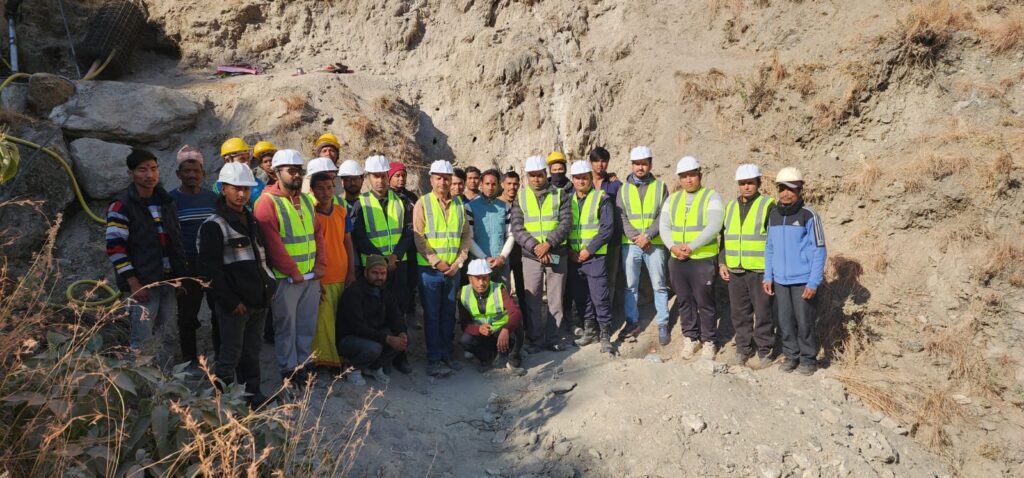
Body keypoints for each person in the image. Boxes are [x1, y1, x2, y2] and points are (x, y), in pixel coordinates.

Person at [197, 163, 277, 408]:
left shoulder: (250, 220)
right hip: (235, 306)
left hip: (258, 301)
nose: (241, 194)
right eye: (236, 188)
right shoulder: (214, 225)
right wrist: (231, 302)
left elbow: (262, 259)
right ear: (223, 189)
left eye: (245, 189)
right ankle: (223, 405)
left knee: (251, 353)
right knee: (229, 356)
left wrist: (269, 289)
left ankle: (252, 396)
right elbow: (209, 271)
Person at [253, 149, 327, 383]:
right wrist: (293, 272)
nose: (296, 175)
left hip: (310, 276)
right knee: (286, 327)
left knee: (306, 324)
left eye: (299, 171)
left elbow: (317, 234)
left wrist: (320, 264)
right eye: (291, 171)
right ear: (277, 172)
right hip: (286, 279)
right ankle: (289, 369)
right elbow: (272, 244)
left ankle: (304, 364)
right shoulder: (266, 203)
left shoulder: (305, 200)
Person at [105, 149, 187, 351]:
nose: (150, 175)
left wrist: (180, 277)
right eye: (142, 170)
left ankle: (166, 372)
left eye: (153, 168)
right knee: (142, 340)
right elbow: (115, 248)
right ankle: (142, 373)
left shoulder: (166, 201)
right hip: (143, 285)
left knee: (168, 337)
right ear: (130, 173)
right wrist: (134, 283)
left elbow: (176, 241)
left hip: (168, 282)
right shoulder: (122, 205)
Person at [352, 155, 414, 374]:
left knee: (399, 310)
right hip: (373, 269)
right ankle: (378, 357)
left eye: (383, 176)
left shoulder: (402, 202)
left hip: (398, 266)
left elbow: (408, 231)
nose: (380, 180)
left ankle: (400, 356)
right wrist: (382, 260)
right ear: (368, 178)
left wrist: (395, 256)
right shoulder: (361, 203)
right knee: (374, 312)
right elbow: (359, 236)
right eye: (375, 176)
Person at [763, 167, 826, 376]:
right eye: (782, 188)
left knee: (804, 321)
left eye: (791, 189)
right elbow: (769, 248)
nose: (786, 193)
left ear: (800, 189)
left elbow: (819, 249)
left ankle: (808, 359)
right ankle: (791, 356)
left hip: (803, 280)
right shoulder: (773, 214)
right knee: (785, 321)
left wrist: (813, 282)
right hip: (780, 281)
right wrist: (768, 276)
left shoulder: (809, 215)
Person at [661, 156, 724, 360]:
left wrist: (691, 246)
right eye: (684, 176)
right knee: (684, 301)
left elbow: (714, 225)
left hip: (702, 259)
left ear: (700, 175)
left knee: (705, 301)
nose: (688, 180)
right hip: (677, 259)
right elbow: (664, 226)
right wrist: (673, 247)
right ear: (679, 178)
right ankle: (691, 338)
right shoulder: (672, 199)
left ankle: (709, 341)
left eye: (692, 175)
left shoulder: (711, 197)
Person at [413, 160, 472, 377]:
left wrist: (458, 262)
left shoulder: (459, 205)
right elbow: (419, 237)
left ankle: (448, 354)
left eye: (446, 178)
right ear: (431, 180)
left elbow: (465, 235)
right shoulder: (423, 203)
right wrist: (436, 262)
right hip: (429, 271)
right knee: (432, 315)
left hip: (453, 271)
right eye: (438, 178)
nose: (443, 182)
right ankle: (434, 359)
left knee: (449, 314)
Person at [510, 155, 572, 353]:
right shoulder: (521, 197)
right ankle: (536, 340)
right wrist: (536, 247)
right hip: (531, 257)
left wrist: (549, 244)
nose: (536, 179)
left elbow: (566, 223)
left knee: (555, 300)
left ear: (546, 174)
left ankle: (553, 338)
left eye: (539, 175)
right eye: (532, 175)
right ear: (527, 176)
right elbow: (517, 227)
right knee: (533, 300)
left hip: (556, 254)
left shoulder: (560, 195)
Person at [168, 145, 219, 370]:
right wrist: (175, 274)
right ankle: (188, 361)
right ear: (178, 174)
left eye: (196, 171)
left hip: (213, 265)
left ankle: (220, 357)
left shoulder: (213, 198)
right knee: (187, 317)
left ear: (203, 174)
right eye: (186, 171)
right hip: (186, 267)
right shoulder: (170, 201)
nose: (192, 175)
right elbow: (169, 238)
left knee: (219, 312)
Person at [720, 164, 776, 370]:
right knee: (739, 313)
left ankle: (765, 351)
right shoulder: (730, 207)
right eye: (742, 183)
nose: (746, 187)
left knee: (763, 313)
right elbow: (724, 238)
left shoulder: (768, 205)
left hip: (759, 270)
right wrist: (722, 261)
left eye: (750, 183)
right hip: (735, 270)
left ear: (758, 183)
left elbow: (774, 240)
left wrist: (771, 270)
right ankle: (743, 349)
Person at [617, 146, 671, 343]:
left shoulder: (660, 187)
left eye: (644, 164)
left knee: (660, 285)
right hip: (631, 244)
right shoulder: (623, 189)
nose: (640, 167)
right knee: (630, 286)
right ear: (632, 165)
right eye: (637, 164)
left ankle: (663, 324)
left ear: (650, 165)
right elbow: (621, 217)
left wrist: (647, 236)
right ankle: (632, 322)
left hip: (653, 243)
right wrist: (636, 237)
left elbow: (663, 215)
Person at [309, 168, 357, 371]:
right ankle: (327, 363)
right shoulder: (310, 214)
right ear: (312, 191)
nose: (326, 192)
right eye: (320, 188)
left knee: (340, 320)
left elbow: (348, 242)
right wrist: (315, 280)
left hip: (342, 273)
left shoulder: (341, 211)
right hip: (322, 276)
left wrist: (351, 271)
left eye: (329, 188)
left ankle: (340, 357)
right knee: (324, 324)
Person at [336, 255, 409, 385]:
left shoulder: (386, 289)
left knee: (402, 340)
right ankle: (351, 369)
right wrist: (387, 339)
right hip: (350, 338)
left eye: (383, 273)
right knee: (374, 348)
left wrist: (402, 332)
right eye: (375, 273)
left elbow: (396, 315)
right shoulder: (354, 292)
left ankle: (373, 368)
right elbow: (358, 327)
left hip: (374, 333)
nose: (379, 277)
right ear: (366, 273)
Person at [566, 161, 615, 354]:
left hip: (594, 257)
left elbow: (606, 229)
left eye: (584, 178)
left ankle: (605, 335)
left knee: (599, 297)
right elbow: (562, 227)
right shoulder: (567, 200)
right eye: (577, 178)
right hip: (574, 257)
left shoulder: (601, 198)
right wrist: (570, 251)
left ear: (590, 178)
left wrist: (589, 250)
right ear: (572, 179)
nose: (581, 181)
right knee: (581, 297)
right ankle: (590, 331)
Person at [459, 259, 525, 374]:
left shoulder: (499, 289)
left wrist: (506, 329)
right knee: (466, 340)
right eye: (477, 278)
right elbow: (465, 324)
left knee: (517, 327)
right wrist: (478, 329)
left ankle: (513, 358)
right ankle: (487, 359)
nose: (481, 283)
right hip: (483, 334)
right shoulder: (463, 293)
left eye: (484, 278)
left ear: (489, 277)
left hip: (501, 332)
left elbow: (516, 313)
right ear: (470, 278)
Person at [589, 147, 624, 318]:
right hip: (588, 240)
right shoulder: (584, 181)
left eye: (604, 161)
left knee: (609, 279)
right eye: (596, 161)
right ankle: (589, 317)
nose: (600, 165)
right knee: (588, 279)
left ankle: (606, 317)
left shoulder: (615, 184)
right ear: (591, 162)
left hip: (612, 240)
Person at [468, 169, 515, 285]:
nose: (490, 187)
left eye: (494, 184)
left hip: (501, 264)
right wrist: (485, 258)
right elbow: (468, 238)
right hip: (479, 265)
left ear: (499, 185)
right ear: (481, 184)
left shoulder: (505, 207)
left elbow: (511, 235)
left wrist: (502, 257)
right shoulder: (470, 207)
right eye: (487, 184)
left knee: (503, 295)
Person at [389, 161, 420, 325]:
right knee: (396, 285)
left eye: (403, 175)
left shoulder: (412, 197)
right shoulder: (386, 196)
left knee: (411, 282)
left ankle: (411, 312)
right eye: (397, 176)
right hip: (396, 248)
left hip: (413, 246)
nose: (401, 179)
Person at [500, 171, 529, 329]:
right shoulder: (497, 204)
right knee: (504, 293)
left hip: (522, 255)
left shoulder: (523, 202)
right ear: (502, 184)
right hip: (502, 256)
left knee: (524, 292)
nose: (512, 187)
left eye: (515, 184)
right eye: (509, 184)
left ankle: (526, 326)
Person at [216, 137, 265, 208]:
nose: (247, 162)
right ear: (227, 160)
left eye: (248, 158)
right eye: (242, 159)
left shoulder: (258, 184)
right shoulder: (219, 185)